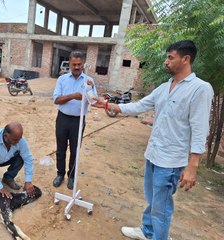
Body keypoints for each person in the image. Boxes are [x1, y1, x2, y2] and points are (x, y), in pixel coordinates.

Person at [92, 40, 213, 240]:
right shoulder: (165, 87)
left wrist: (193, 165)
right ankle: (147, 231)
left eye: (170, 57)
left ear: (186, 59)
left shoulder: (200, 89)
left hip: (171, 161)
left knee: (162, 208)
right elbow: (138, 106)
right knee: (152, 200)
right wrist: (108, 105)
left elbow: (200, 128)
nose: (166, 62)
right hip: (153, 154)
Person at [53, 51, 97, 190]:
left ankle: (71, 176)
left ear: (83, 64)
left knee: (74, 150)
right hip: (62, 119)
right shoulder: (62, 79)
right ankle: (60, 174)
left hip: (78, 121)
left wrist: (89, 90)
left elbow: (94, 101)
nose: (77, 67)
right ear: (70, 64)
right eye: (74, 64)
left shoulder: (89, 80)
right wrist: (72, 96)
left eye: (79, 64)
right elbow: (56, 99)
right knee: (60, 149)